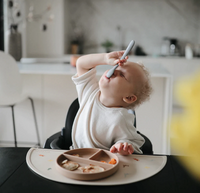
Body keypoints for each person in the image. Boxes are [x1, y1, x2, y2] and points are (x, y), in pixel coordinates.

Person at [71, 51, 152, 155]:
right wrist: (105, 58)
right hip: (73, 155)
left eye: (122, 75)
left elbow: (134, 142)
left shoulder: (121, 118)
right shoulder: (89, 92)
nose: (113, 71)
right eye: (116, 67)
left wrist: (123, 146)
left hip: (100, 164)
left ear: (129, 97)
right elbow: (81, 63)